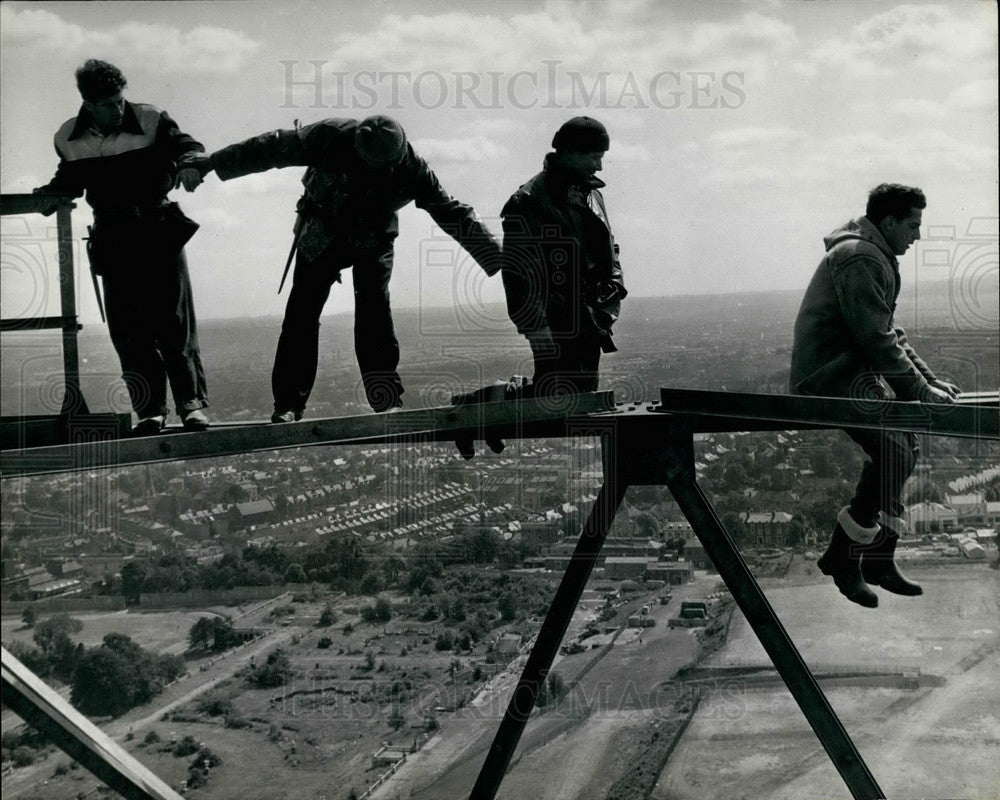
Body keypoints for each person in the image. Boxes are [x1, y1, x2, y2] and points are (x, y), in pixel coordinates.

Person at [191, 115, 501, 420]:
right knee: (302, 312)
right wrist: (213, 163)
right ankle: (287, 403)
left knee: (374, 310)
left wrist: (498, 258)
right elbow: (272, 146)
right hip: (323, 229)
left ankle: (384, 399)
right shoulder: (330, 136)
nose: (385, 172)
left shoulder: (413, 169)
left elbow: (452, 212)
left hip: (374, 237)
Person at [789, 183, 960, 608]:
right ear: (888, 222)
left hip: (851, 371)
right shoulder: (861, 257)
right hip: (829, 376)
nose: (917, 237)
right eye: (913, 225)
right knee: (894, 451)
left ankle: (880, 557)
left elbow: (889, 333)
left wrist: (929, 382)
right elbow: (877, 340)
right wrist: (921, 390)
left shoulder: (871, 253)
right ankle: (843, 558)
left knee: (906, 443)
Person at [34, 59, 210, 435]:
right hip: (114, 238)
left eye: (119, 100)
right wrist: (53, 194)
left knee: (174, 323)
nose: (117, 109)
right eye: (108, 104)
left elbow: (186, 145)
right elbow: (69, 178)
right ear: (88, 103)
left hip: (157, 230)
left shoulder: (150, 119)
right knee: (129, 331)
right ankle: (151, 411)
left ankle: (191, 406)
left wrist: (191, 163)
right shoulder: (68, 137)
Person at [500, 116, 626, 396]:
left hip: (591, 315)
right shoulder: (528, 202)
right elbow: (516, 273)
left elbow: (609, 245)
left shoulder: (591, 194)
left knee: (579, 394)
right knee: (556, 397)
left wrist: (615, 284)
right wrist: (535, 327)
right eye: (594, 157)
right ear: (570, 153)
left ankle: (493, 400)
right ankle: (484, 401)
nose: (600, 165)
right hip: (553, 320)